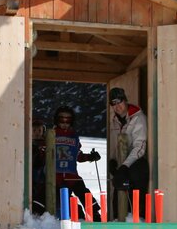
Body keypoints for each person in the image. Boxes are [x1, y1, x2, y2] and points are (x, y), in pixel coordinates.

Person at [51, 106, 101, 220]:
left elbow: (78, 155)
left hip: (72, 176)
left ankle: (95, 215)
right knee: (64, 199)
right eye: (61, 120)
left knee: (84, 193)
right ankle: (78, 215)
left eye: (68, 120)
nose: (64, 123)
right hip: (56, 177)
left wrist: (90, 157)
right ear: (56, 120)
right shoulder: (51, 134)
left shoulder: (74, 136)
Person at [107, 87, 148, 217]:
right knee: (118, 197)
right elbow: (115, 144)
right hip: (122, 164)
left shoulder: (138, 118)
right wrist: (113, 161)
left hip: (135, 164)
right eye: (113, 103)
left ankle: (137, 223)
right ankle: (118, 223)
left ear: (125, 101)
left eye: (119, 102)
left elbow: (139, 147)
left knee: (134, 199)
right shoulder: (114, 120)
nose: (117, 106)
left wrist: (125, 166)